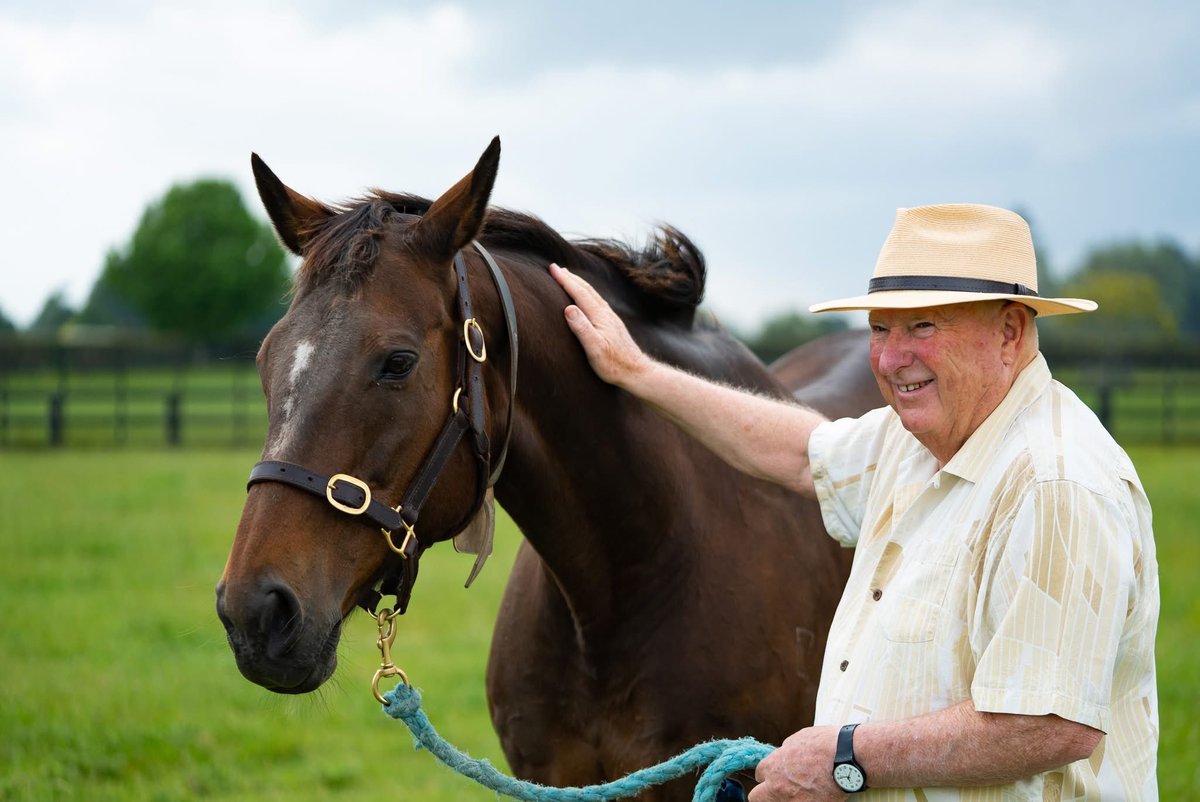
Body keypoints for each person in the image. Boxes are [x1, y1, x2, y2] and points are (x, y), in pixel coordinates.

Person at [549, 203, 1158, 800]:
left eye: (923, 326)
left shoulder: (1055, 486)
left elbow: (1048, 725)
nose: (892, 360)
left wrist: (846, 757)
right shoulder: (917, 441)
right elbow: (798, 451)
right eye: (879, 329)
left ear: (1009, 331)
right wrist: (639, 372)